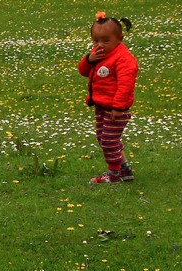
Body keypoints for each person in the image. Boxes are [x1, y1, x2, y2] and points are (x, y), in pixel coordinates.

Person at [78, 12, 139, 184]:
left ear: (119, 38)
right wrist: (89, 60)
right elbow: (83, 71)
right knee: (104, 138)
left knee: (109, 141)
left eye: (106, 41)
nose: (100, 45)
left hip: (115, 109)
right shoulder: (97, 53)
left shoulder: (124, 59)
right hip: (101, 106)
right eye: (96, 41)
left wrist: (118, 108)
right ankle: (125, 169)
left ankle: (113, 175)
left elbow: (125, 85)